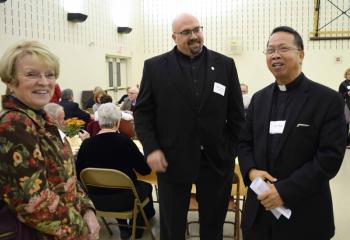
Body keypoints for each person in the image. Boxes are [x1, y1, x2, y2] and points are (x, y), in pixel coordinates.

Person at [134, 13, 244, 240]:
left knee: (213, 229)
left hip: (216, 161)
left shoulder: (224, 64)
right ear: (174, 37)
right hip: (172, 161)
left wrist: (230, 149)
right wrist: (152, 148)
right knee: (172, 229)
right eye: (186, 32)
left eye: (197, 29)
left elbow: (236, 114)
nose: (193, 36)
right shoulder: (155, 67)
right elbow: (143, 113)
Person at [238, 26, 346, 240]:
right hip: (259, 215)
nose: (275, 55)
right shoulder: (259, 100)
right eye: (270, 50)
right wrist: (250, 171)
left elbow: (329, 158)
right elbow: (244, 143)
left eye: (283, 48)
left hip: (304, 214)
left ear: (301, 54)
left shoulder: (327, 100)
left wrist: (284, 192)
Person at [0, 41, 100, 239]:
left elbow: (67, 178)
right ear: (10, 81)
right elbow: (35, 203)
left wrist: (88, 210)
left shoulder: (42, 119)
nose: (44, 82)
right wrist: (81, 229)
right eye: (31, 74)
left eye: (50, 74)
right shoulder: (14, 124)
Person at [76, 103, 155, 239]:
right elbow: (145, 170)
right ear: (117, 121)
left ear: (99, 121)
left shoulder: (86, 144)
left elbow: (79, 175)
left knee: (121, 188)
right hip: (126, 200)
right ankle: (137, 229)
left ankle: (123, 225)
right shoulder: (125, 142)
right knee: (146, 187)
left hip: (96, 199)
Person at [338, 67, 350, 146]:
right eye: (348, 74)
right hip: (347, 106)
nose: (349, 75)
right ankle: (345, 142)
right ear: (346, 75)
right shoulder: (343, 84)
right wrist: (347, 94)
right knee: (346, 124)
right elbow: (340, 95)